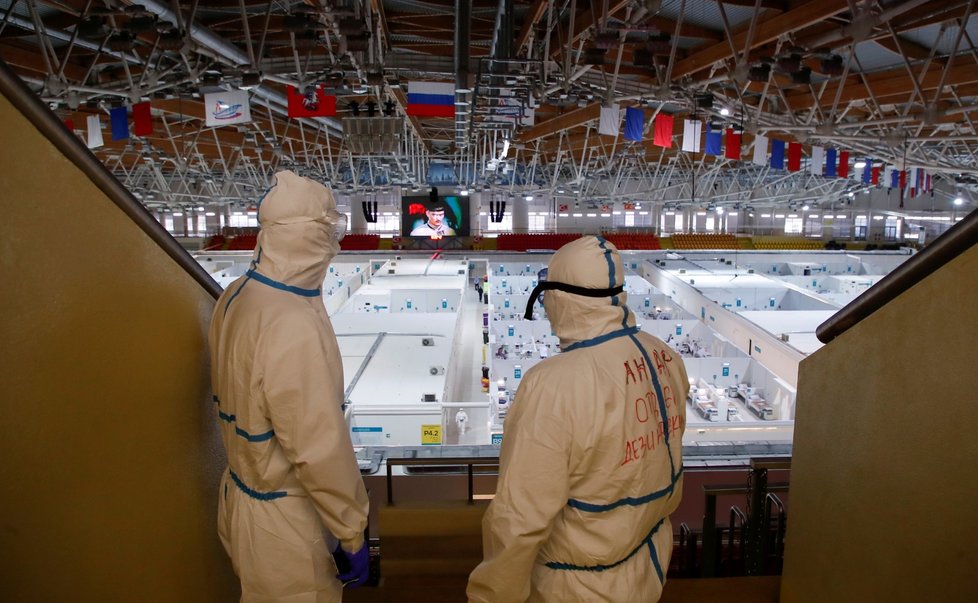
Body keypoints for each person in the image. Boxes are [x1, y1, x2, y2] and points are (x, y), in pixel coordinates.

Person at [467, 236, 688, 603]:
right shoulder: (665, 357)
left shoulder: (553, 385)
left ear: (562, 299)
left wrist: (491, 597)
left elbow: (519, 519)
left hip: (575, 589)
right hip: (647, 572)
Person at [209, 170, 370, 602]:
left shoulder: (238, 295)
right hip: (287, 528)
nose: (332, 244)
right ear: (306, 236)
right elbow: (317, 447)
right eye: (328, 229)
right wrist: (351, 530)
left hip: (243, 500)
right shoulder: (291, 323)